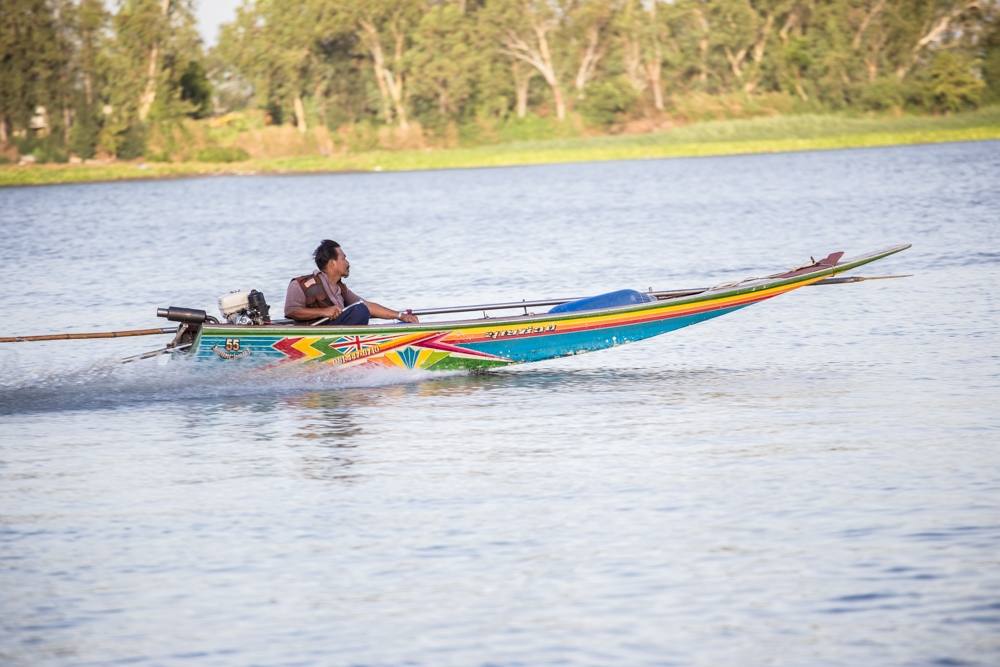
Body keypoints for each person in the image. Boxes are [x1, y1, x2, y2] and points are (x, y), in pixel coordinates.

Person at [284, 240, 419, 325]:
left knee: (361, 308)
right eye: (344, 258)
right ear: (332, 263)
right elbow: (291, 311)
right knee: (359, 310)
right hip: (313, 338)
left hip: (336, 336)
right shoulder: (301, 284)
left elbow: (367, 306)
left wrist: (401, 316)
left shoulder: (340, 289)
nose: (348, 263)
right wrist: (324, 311)